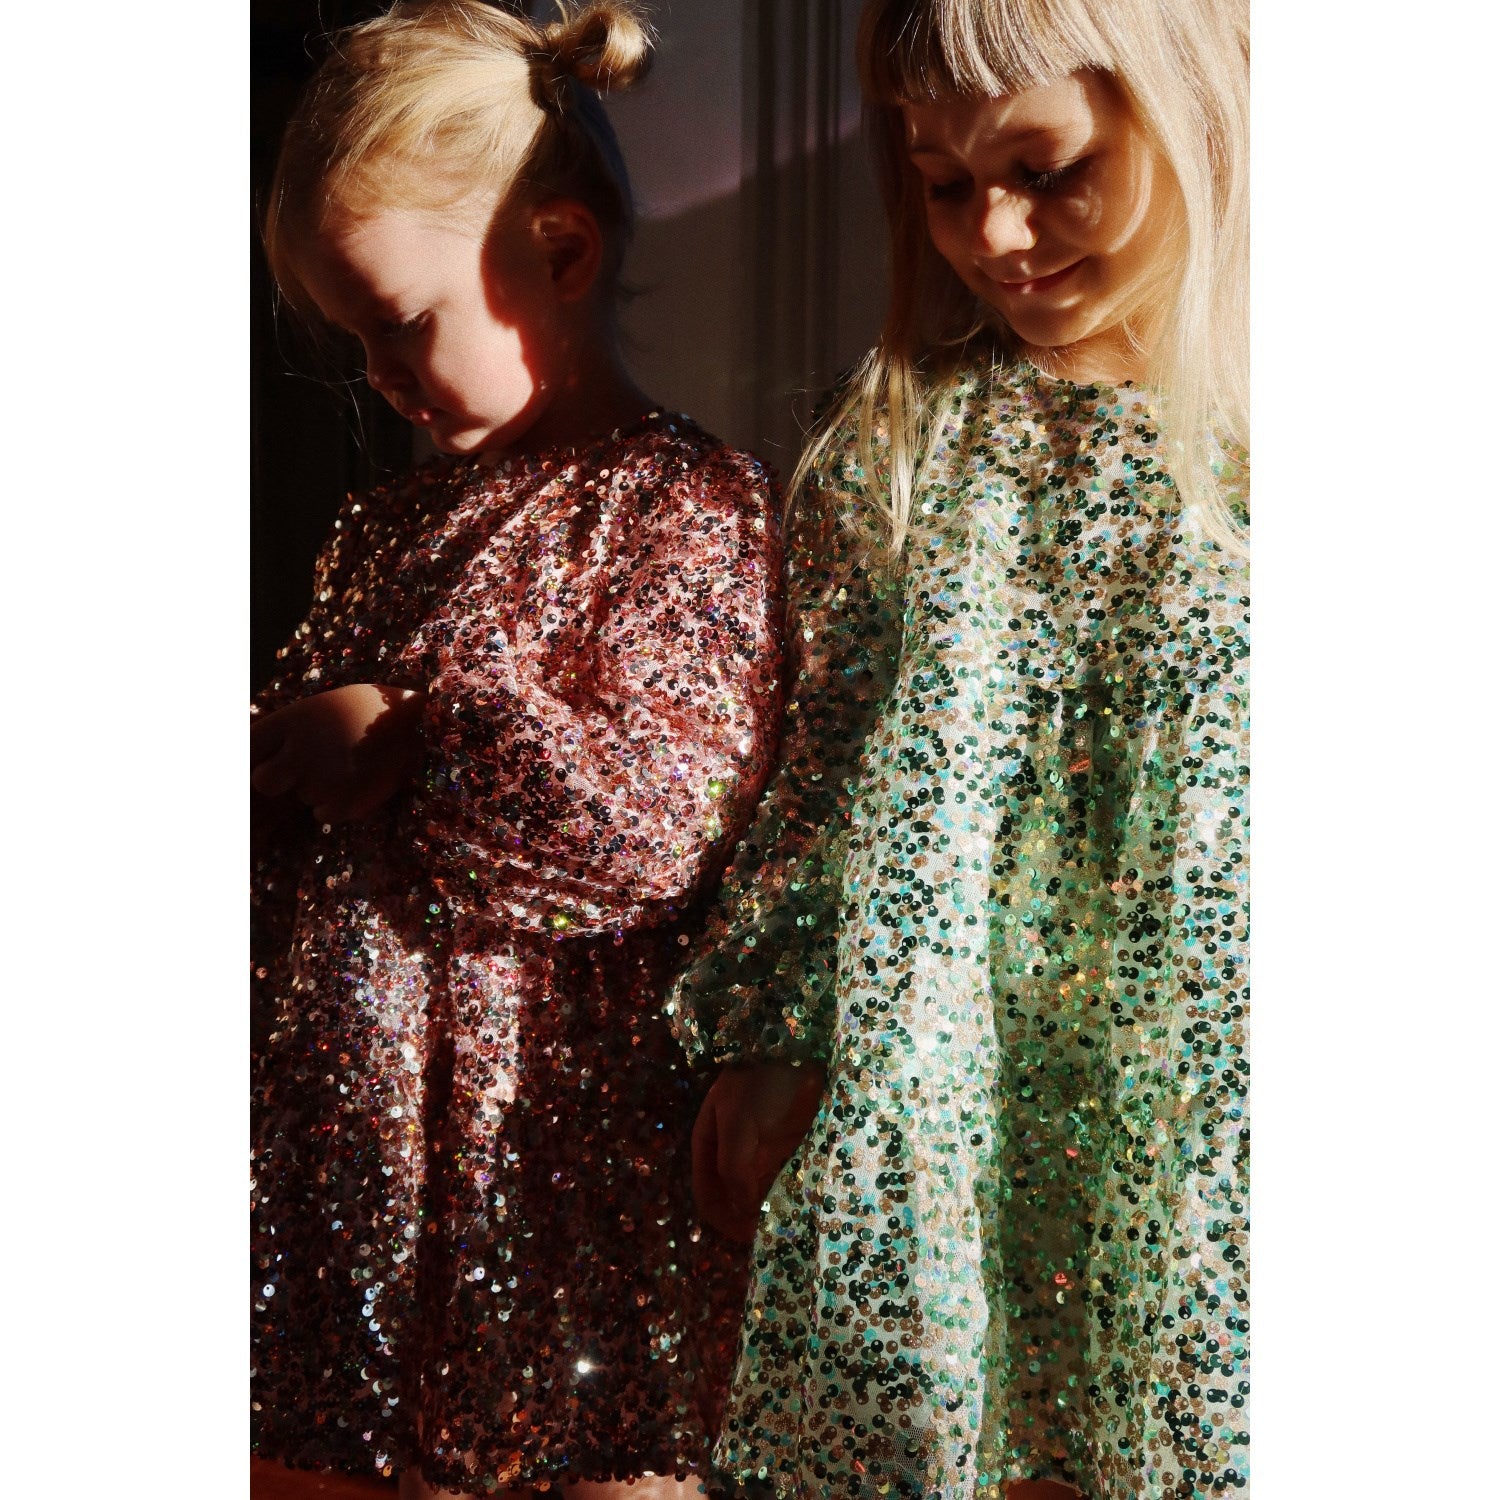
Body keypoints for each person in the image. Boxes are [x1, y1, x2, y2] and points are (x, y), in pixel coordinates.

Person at [669, 0, 1248, 1496]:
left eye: (1049, 172)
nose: (993, 233)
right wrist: (778, 1023)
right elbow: (826, 768)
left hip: (1207, 1088)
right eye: (943, 183)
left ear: (1190, 119)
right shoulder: (904, 451)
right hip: (954, 1086)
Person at [249, 4, 785, 1497]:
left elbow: (652, 824)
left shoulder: (680, 505)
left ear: (557, 253)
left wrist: (411, 734)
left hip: (551, 1167)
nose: (380, 376)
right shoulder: (381, 526)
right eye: (355, 341)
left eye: (402, 322)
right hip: (353, 1167)